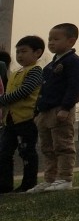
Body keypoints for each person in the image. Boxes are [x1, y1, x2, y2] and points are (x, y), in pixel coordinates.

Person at [27, 24, 79, 192]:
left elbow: (75, 86)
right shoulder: (49, 67)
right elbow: (42, 91)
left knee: (63, 145)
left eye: (56, 39)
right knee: (47, 148)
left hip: (60, 110)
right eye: (49, 39)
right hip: (44, 112)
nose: (51, 42)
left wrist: (66, 107)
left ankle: (65, 178)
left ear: (71, 41)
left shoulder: (73, 62)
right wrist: (36, 113)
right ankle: (50, 179)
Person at [0, 36, 45, 193]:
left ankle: (29, 183)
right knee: (4, 153)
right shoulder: (14, 73)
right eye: (17, 52)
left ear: (37, 52)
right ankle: (5, 185)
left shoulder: (35, 71)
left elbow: (24, 91)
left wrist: (3, 99)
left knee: (26, 152)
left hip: (26, 120)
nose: (19, 55)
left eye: (24, 51)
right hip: (10, 121)